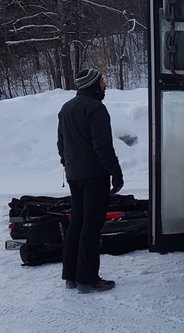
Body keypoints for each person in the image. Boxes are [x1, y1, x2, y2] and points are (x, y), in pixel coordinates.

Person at [57, 68, 123, 293]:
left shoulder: (66, 108)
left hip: (74, 175)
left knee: (77, 223)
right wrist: (116, 173)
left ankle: (71, 277)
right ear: (94, 84)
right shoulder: (96, 109)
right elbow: (102, 147)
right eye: (102, 81)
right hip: (95, 176)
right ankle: (87, 279)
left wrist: (68, 165)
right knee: (91, 227)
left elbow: (61, 144)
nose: (105, 85)